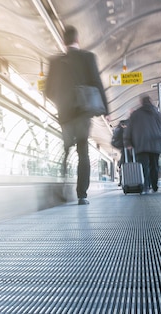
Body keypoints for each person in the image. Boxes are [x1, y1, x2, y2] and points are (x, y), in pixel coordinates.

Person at [45, 25, 109, 205]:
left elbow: (47, 90)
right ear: (77, 40)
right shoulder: (88, 58)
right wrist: (106, 110)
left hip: (65, 114)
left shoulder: (55, 62)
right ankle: (82, 194)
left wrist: (61, 101)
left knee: (65, 150)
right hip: (82, 112)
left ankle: (62, 187)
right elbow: (97, 83)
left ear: (63, 41)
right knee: (83, 152)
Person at [124, 94, 161, 192]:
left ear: (141, 102)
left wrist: (128, 142)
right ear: (151, 101)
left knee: (143, 166)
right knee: (154, 166)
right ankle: (155, 186)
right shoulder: (157, 112)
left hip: (141, 143)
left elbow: (129, 129)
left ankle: (145, 186)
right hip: (155, 143)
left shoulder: (136, 114)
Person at [111, 119, 129, 185]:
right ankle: (123, 181)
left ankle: (123, 181)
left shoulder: (118, 129)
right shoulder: (120, 130)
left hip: (125, 149)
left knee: (123, 164)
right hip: (126, 149)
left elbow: (114, 141)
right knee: (124, 163)